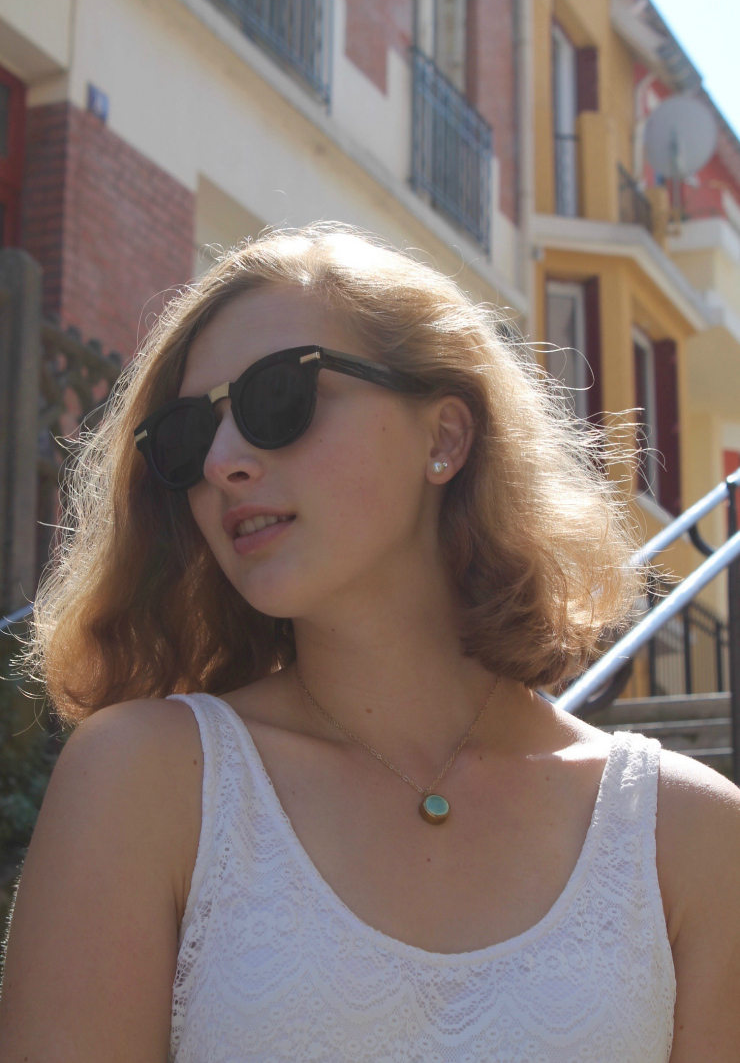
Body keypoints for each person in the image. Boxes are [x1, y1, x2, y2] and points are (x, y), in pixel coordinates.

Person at [0, 226, 738, 1062]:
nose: (221, 462)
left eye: (278, 397)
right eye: (186, 436)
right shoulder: (146, 780)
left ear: (445, 437)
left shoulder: (690, 836)